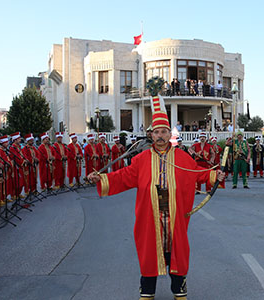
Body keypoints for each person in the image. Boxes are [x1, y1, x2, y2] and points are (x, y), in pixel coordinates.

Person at [84, 96, 224, 299]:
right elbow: (123, 176)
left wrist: (213, 175)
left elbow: (196, 173)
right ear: (151, 135)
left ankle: (179, 291)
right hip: (150, 215)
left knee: (177, 251)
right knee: (149, 251)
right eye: (156, 132)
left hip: (175, 214)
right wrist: (101, 178)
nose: (160, 136)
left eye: (164, 132)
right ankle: (147, 292)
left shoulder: (183, 157)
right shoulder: (140, 159)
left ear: (169, 134)